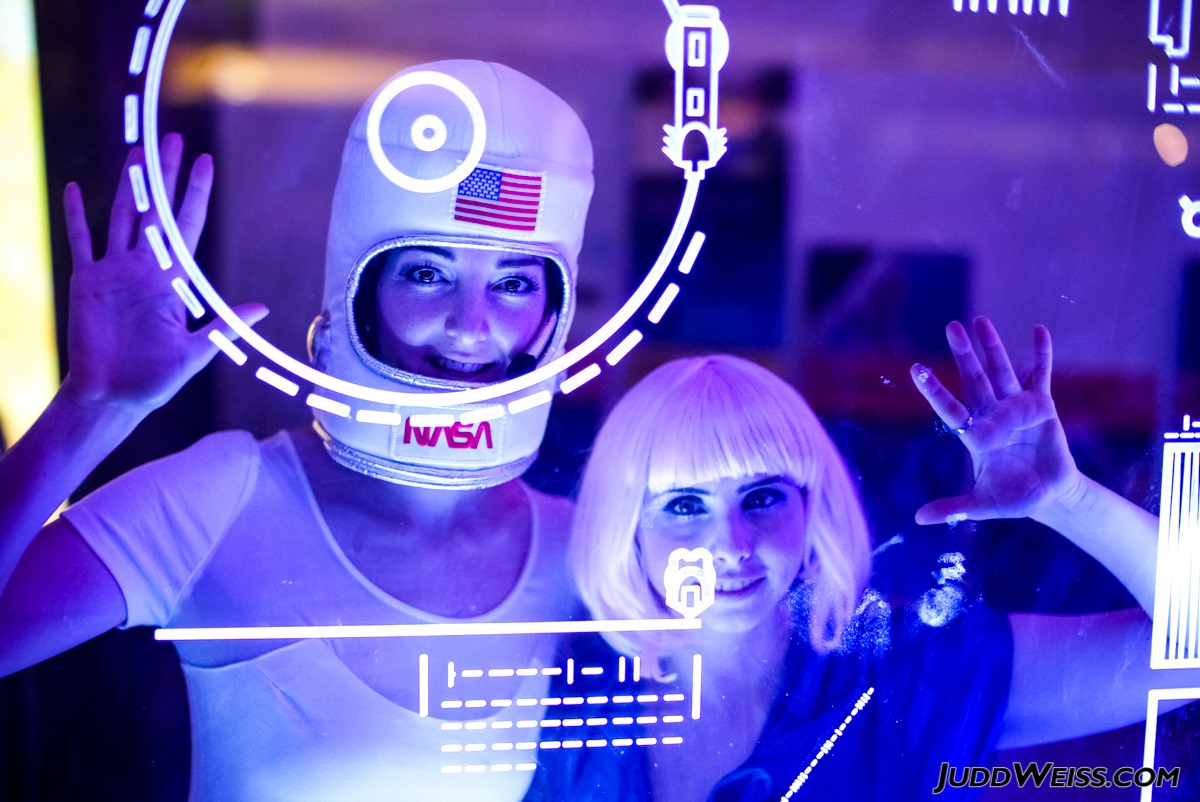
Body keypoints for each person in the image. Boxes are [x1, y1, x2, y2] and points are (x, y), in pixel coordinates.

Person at [0, 60, 593, 801]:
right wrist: (92, 409)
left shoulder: (585, 551)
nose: (470, 326)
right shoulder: (221, 501)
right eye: (427, 273)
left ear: (554, 310)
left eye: (513, 283)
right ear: (360, 284)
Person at [529, 318, 1188, 801]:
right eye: (682, 505)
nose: (730, 542)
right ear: (627, 526)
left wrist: (1070, 501)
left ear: (814, 508)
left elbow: (1187, 652)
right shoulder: (548, 683)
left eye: (761, 497)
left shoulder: (908, 668)